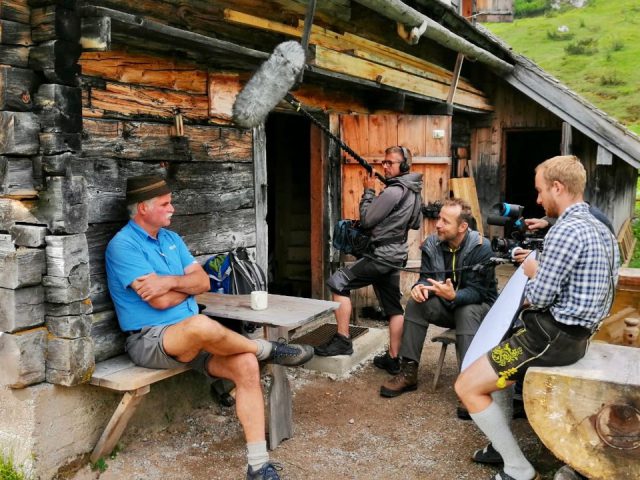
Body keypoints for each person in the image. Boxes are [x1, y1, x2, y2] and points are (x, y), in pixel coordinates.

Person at [105, 174, 314, 480]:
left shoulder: (172, 240)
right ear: (142, 209)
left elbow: (203, 282)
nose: (172, 208)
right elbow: (158, 304)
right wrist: (184, 288)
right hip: (151, 340)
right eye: (165, 204)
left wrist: (170, 281)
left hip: (194, 339)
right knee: (202, 325)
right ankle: (267, 349)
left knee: (245, 365)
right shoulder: (123, 246)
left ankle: (258, 465)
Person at [455, 155, 619, 480]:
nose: (538, 199)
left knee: (467, 386)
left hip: (548, 338)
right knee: (496, 360)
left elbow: (540, 297)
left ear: (558, 187)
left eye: (541, 191)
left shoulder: (565, 231)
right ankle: (500, 446)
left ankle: (518, 469)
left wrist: (532, 270)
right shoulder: (602, 229)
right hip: (576, 337)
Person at [379, 198, 498, 405]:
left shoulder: (482, 247)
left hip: (478, 309)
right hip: (447, 306)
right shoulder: (432, 244)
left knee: (466, 310)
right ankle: (408, 372)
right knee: (417, 303)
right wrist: (420, 288)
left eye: (445, 221)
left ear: (462, 227)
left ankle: (470, 383)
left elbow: (479, 292)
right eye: (439, 218)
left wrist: (454, 296)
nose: (438, 224)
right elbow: (426, 277)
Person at [314, 146, 423, 368]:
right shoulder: (413, 191)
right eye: (384, 162)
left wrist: (369, 191)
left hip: (380, 256)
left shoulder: (394, 191)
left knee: (338, 282)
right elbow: (415, 223)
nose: (385, 166)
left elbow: (366, 220)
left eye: (390, 163)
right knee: (393, 308)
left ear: (403, 166)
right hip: (395, 256)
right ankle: (394, 359)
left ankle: (343, 340)